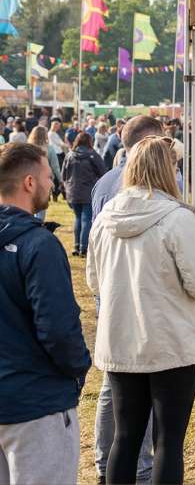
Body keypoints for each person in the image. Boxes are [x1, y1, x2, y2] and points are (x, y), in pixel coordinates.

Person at [87, 136, 195, 485]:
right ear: (167, 170)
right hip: (170, 341)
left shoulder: (104, 220)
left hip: (121, 338)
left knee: (125, 436)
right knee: (168, 440)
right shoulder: (177, 219)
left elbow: (94, 281)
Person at [0, 143, 92, 485]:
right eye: (48, 176)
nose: (53, 183)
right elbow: (58, 330)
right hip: (36, 405)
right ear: (28, 183)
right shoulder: (38, 246)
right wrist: (79, 368)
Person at [91, 115, 166, 484]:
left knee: (113, 388)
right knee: (140, 394)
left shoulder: (103, 183)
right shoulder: (153, 191)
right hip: (144, 299)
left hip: (112, 296)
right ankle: (138, 466)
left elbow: (94, 255)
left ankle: (107, 462)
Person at [61, 132, 107, 256]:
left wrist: (65, 188)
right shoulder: (93, 155)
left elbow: (63, 175)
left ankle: (77, 246)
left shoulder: (69, 155)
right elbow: (103, 173)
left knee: (78, 218)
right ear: (89, 142)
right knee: (86, 218)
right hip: (88, 191)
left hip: (73, 191)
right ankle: (84, 248)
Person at [27, 126, 61, 217]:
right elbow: (55, 167)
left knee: (30, 205)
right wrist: (61, 180)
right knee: (41, 209)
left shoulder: (27, 148)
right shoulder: (49, 149)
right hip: (45, 180)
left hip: (29, 180)